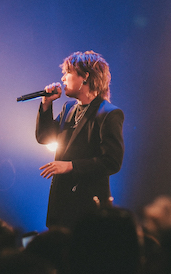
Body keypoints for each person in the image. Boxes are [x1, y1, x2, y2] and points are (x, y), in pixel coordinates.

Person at [36, 51, 124, 229]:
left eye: (68, 72)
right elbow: (44, 137)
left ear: (85, 76)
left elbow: (112, 162)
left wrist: (71, 166)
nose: (63, 78)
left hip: (88, 208)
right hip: (61, 204)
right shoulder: (69, 108)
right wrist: (46, 104)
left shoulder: (108, 113)